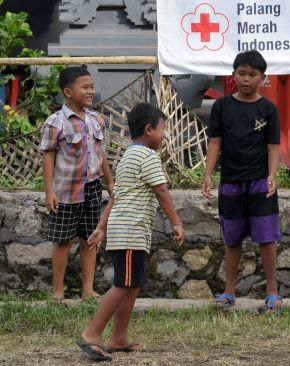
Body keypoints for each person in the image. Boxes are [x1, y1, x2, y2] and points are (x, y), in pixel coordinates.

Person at [76, 103, 184, 361]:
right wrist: (177, 223)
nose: (165, 135)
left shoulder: (128, 157)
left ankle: (119, 338)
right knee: (124, 284)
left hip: (126, 231)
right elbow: (162, 191)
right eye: (163, 129)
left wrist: (101, 228)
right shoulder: (147, 157)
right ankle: (92, 333)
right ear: (149, 129)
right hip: (130, 231)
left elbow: (116, 198)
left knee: (132, 285)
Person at [201, 50, 283, 311]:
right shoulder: (222, 106)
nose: (246, 79)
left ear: (263, 78)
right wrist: (208, 174)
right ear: (233, 75)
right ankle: (229, 291)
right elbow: (215, 142)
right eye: (242, 73)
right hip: (231, 182)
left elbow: (273, 146)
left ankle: (272, 291)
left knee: (267, 238)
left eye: (253, 74)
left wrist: (272, 175)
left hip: (260, 181)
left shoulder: (268, 109)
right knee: (232, 239)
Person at [39, 66, 114, 302]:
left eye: (92, 87)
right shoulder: (56, 122)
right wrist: (49, 191)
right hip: (66, 190)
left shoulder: (96, 121)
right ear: (68, 92)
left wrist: (110, 183)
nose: (91, 91)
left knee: (90, 238)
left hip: (92, 187)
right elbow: (48, 155)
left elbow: (101, 155)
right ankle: (58, 292)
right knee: (63, 240)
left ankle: (88, 290)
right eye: (86, 87)